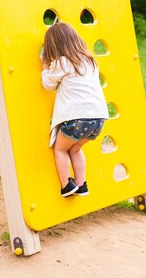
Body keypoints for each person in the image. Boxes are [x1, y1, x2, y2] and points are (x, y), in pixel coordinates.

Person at [40, 22, 108, 197]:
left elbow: (48, 85)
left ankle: (66, 185)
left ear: (54, 46)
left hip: (77, 118)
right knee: (75, 149)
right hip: (98, 120)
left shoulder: (62, 62)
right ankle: (81, 184)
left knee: (60, 149)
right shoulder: (89, 60)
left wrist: (45, 68)